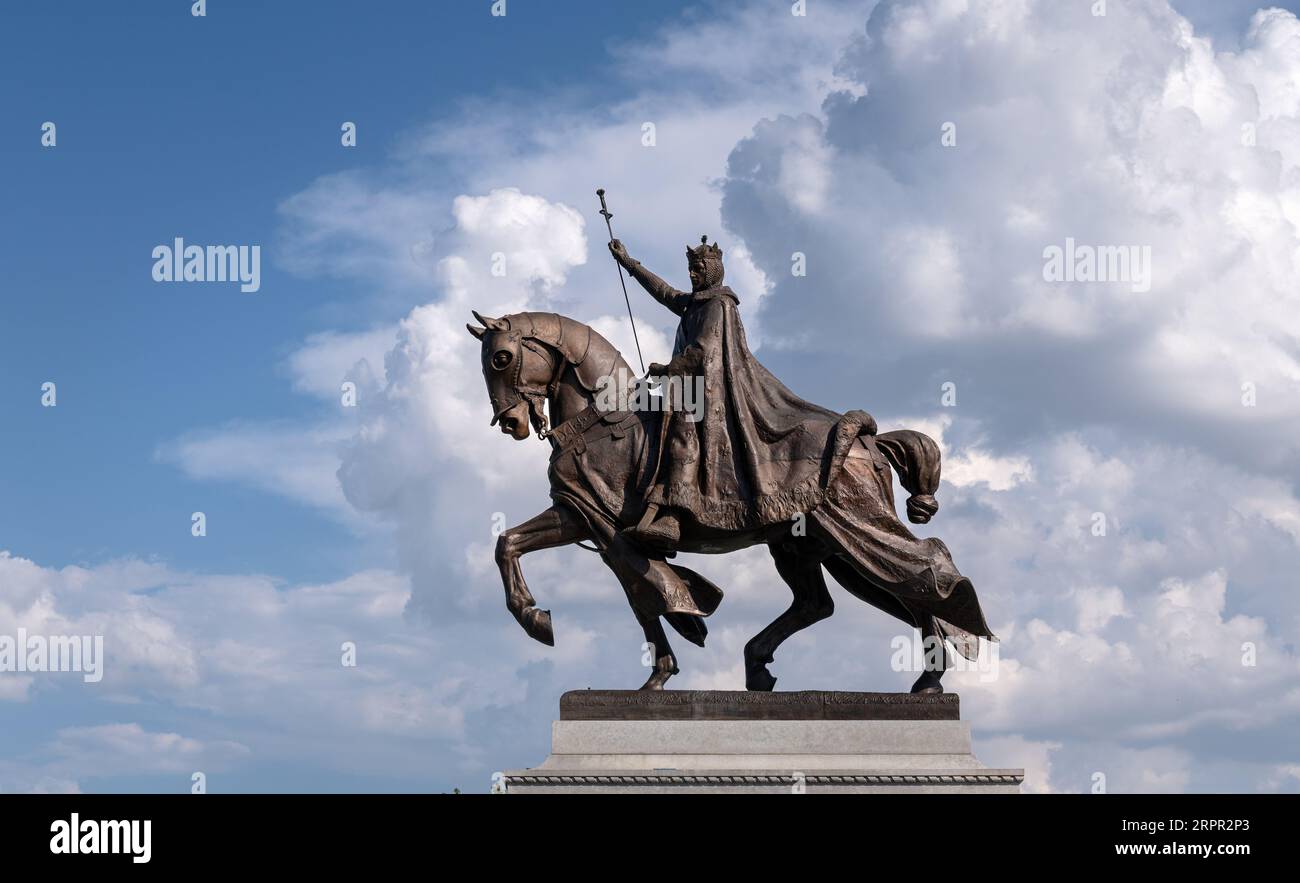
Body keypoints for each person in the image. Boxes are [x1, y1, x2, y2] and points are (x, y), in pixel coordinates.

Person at [608, 235, 842, 551]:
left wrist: (666, 368)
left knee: (684, 426)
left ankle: (674, 515)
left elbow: (702, 351)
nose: (692, 274)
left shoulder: (719, 304)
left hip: (712, 392)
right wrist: (629, 263)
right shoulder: (695, 302)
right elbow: (664, 293)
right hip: (692, 386)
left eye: (698, 268)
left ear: (714, 269)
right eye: (690, 268)